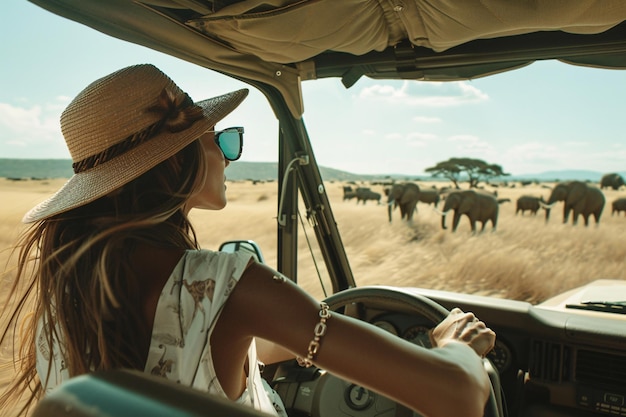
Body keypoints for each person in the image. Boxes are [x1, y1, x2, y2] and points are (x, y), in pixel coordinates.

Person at [0, 64, 496, 417]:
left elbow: (180, 363)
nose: (229, 157)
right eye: (222, 139)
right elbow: (456, 397)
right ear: (177, 159)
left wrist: (299, 336)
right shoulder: (227, 282)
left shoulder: (67, 292)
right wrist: (457, 348)